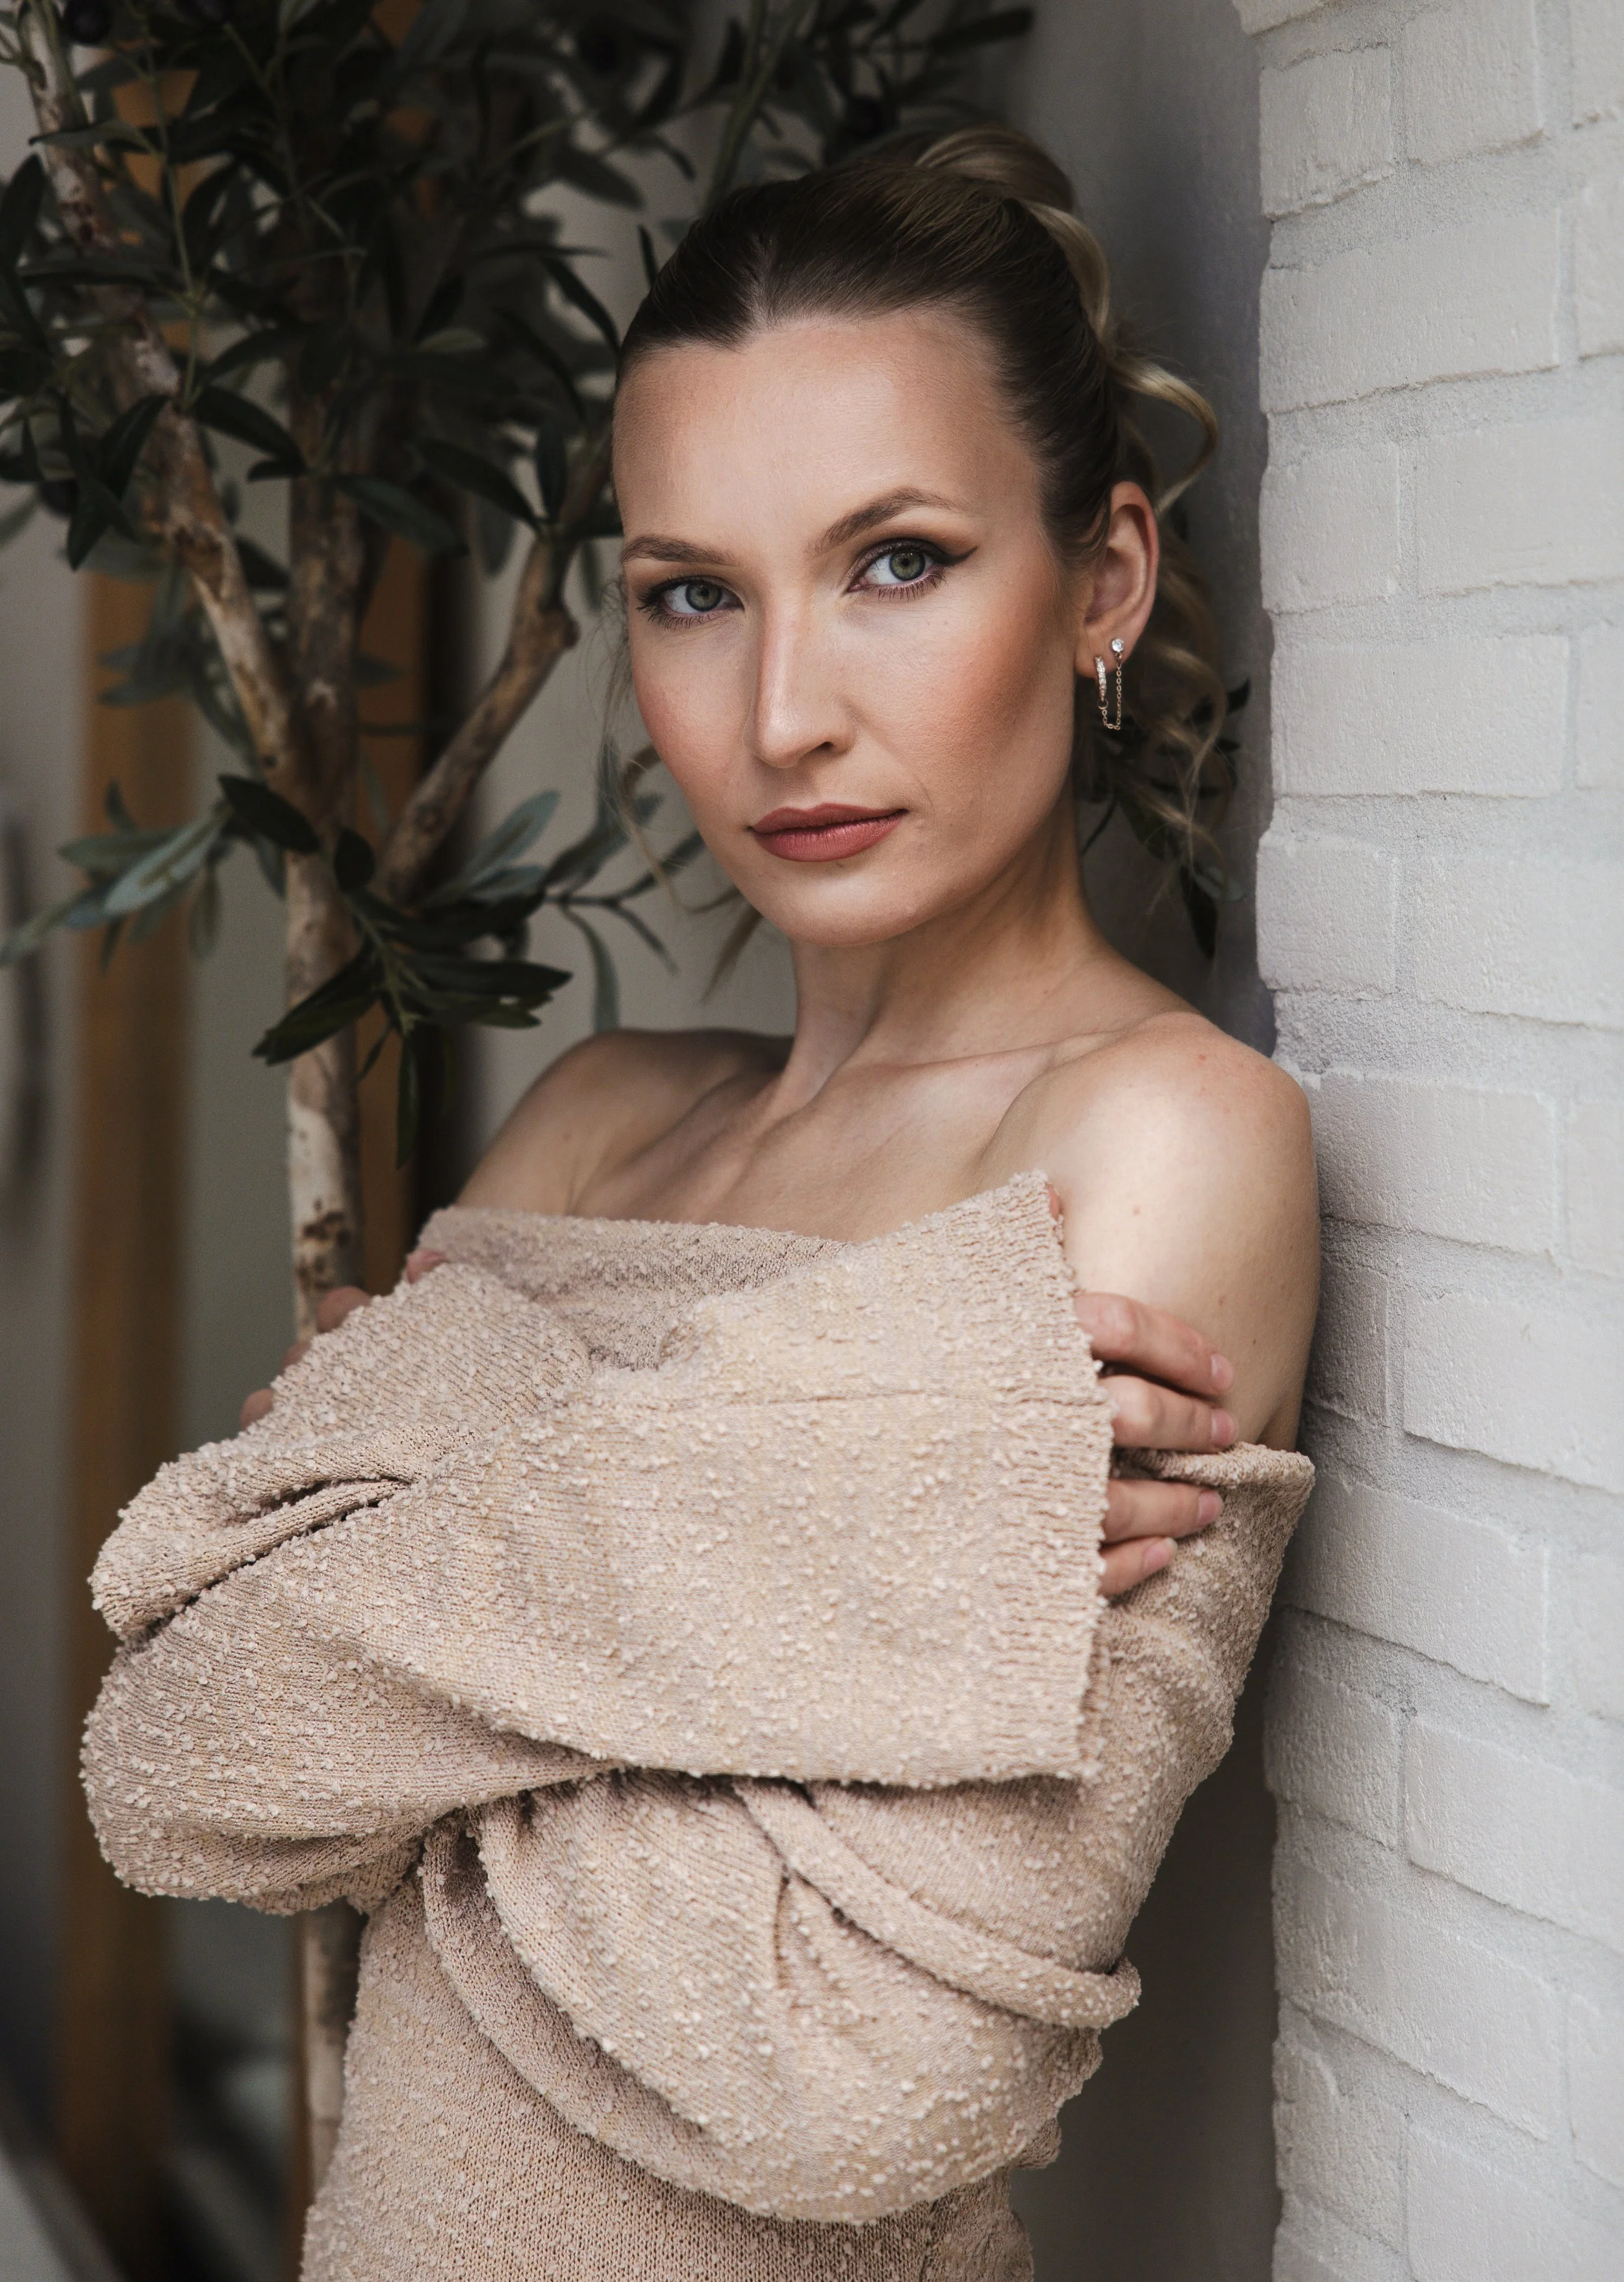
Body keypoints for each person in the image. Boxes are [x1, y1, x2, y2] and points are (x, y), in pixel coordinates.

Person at [86, 127, 1318, 2281]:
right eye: (691, 593)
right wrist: (832, 1490)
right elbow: (180, 1753)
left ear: (1103, 577)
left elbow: (856, 2074)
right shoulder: (593, 1122)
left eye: (899, 561)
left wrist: (415, 1584)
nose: (780, 716)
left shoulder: (1160, 1141)